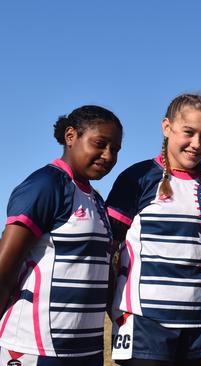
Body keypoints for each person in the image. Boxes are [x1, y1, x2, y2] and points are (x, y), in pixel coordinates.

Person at [0, 106, 123, 366]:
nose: (108, 155)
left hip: (85, 348)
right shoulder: (45, 185)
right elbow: (5, 267)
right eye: (100, 144)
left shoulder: (96, 201)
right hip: (34, 346)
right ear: (71, 136)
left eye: (115, 149)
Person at [107, 94, 201, 366]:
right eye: (189, 132)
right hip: (146, 321)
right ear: (167, 127)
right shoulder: (139, 177)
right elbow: (107, 246)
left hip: (196, 321)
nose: (196, 144)